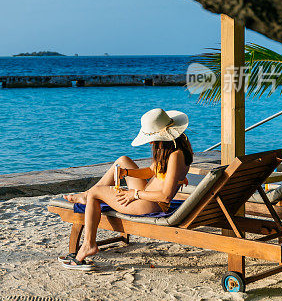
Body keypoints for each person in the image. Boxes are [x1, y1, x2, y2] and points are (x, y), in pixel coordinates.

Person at [61, 108, 193, 270]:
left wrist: (135, 194)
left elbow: (165, 196)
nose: (150, 143)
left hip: (150, 204)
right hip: (146, 197)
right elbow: (152, 171)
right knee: (122, 161)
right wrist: (127, 172)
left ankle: (89, 244)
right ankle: (85, 196)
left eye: (152, 138)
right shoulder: (171, 150)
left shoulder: (175, 156)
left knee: (95, 193)